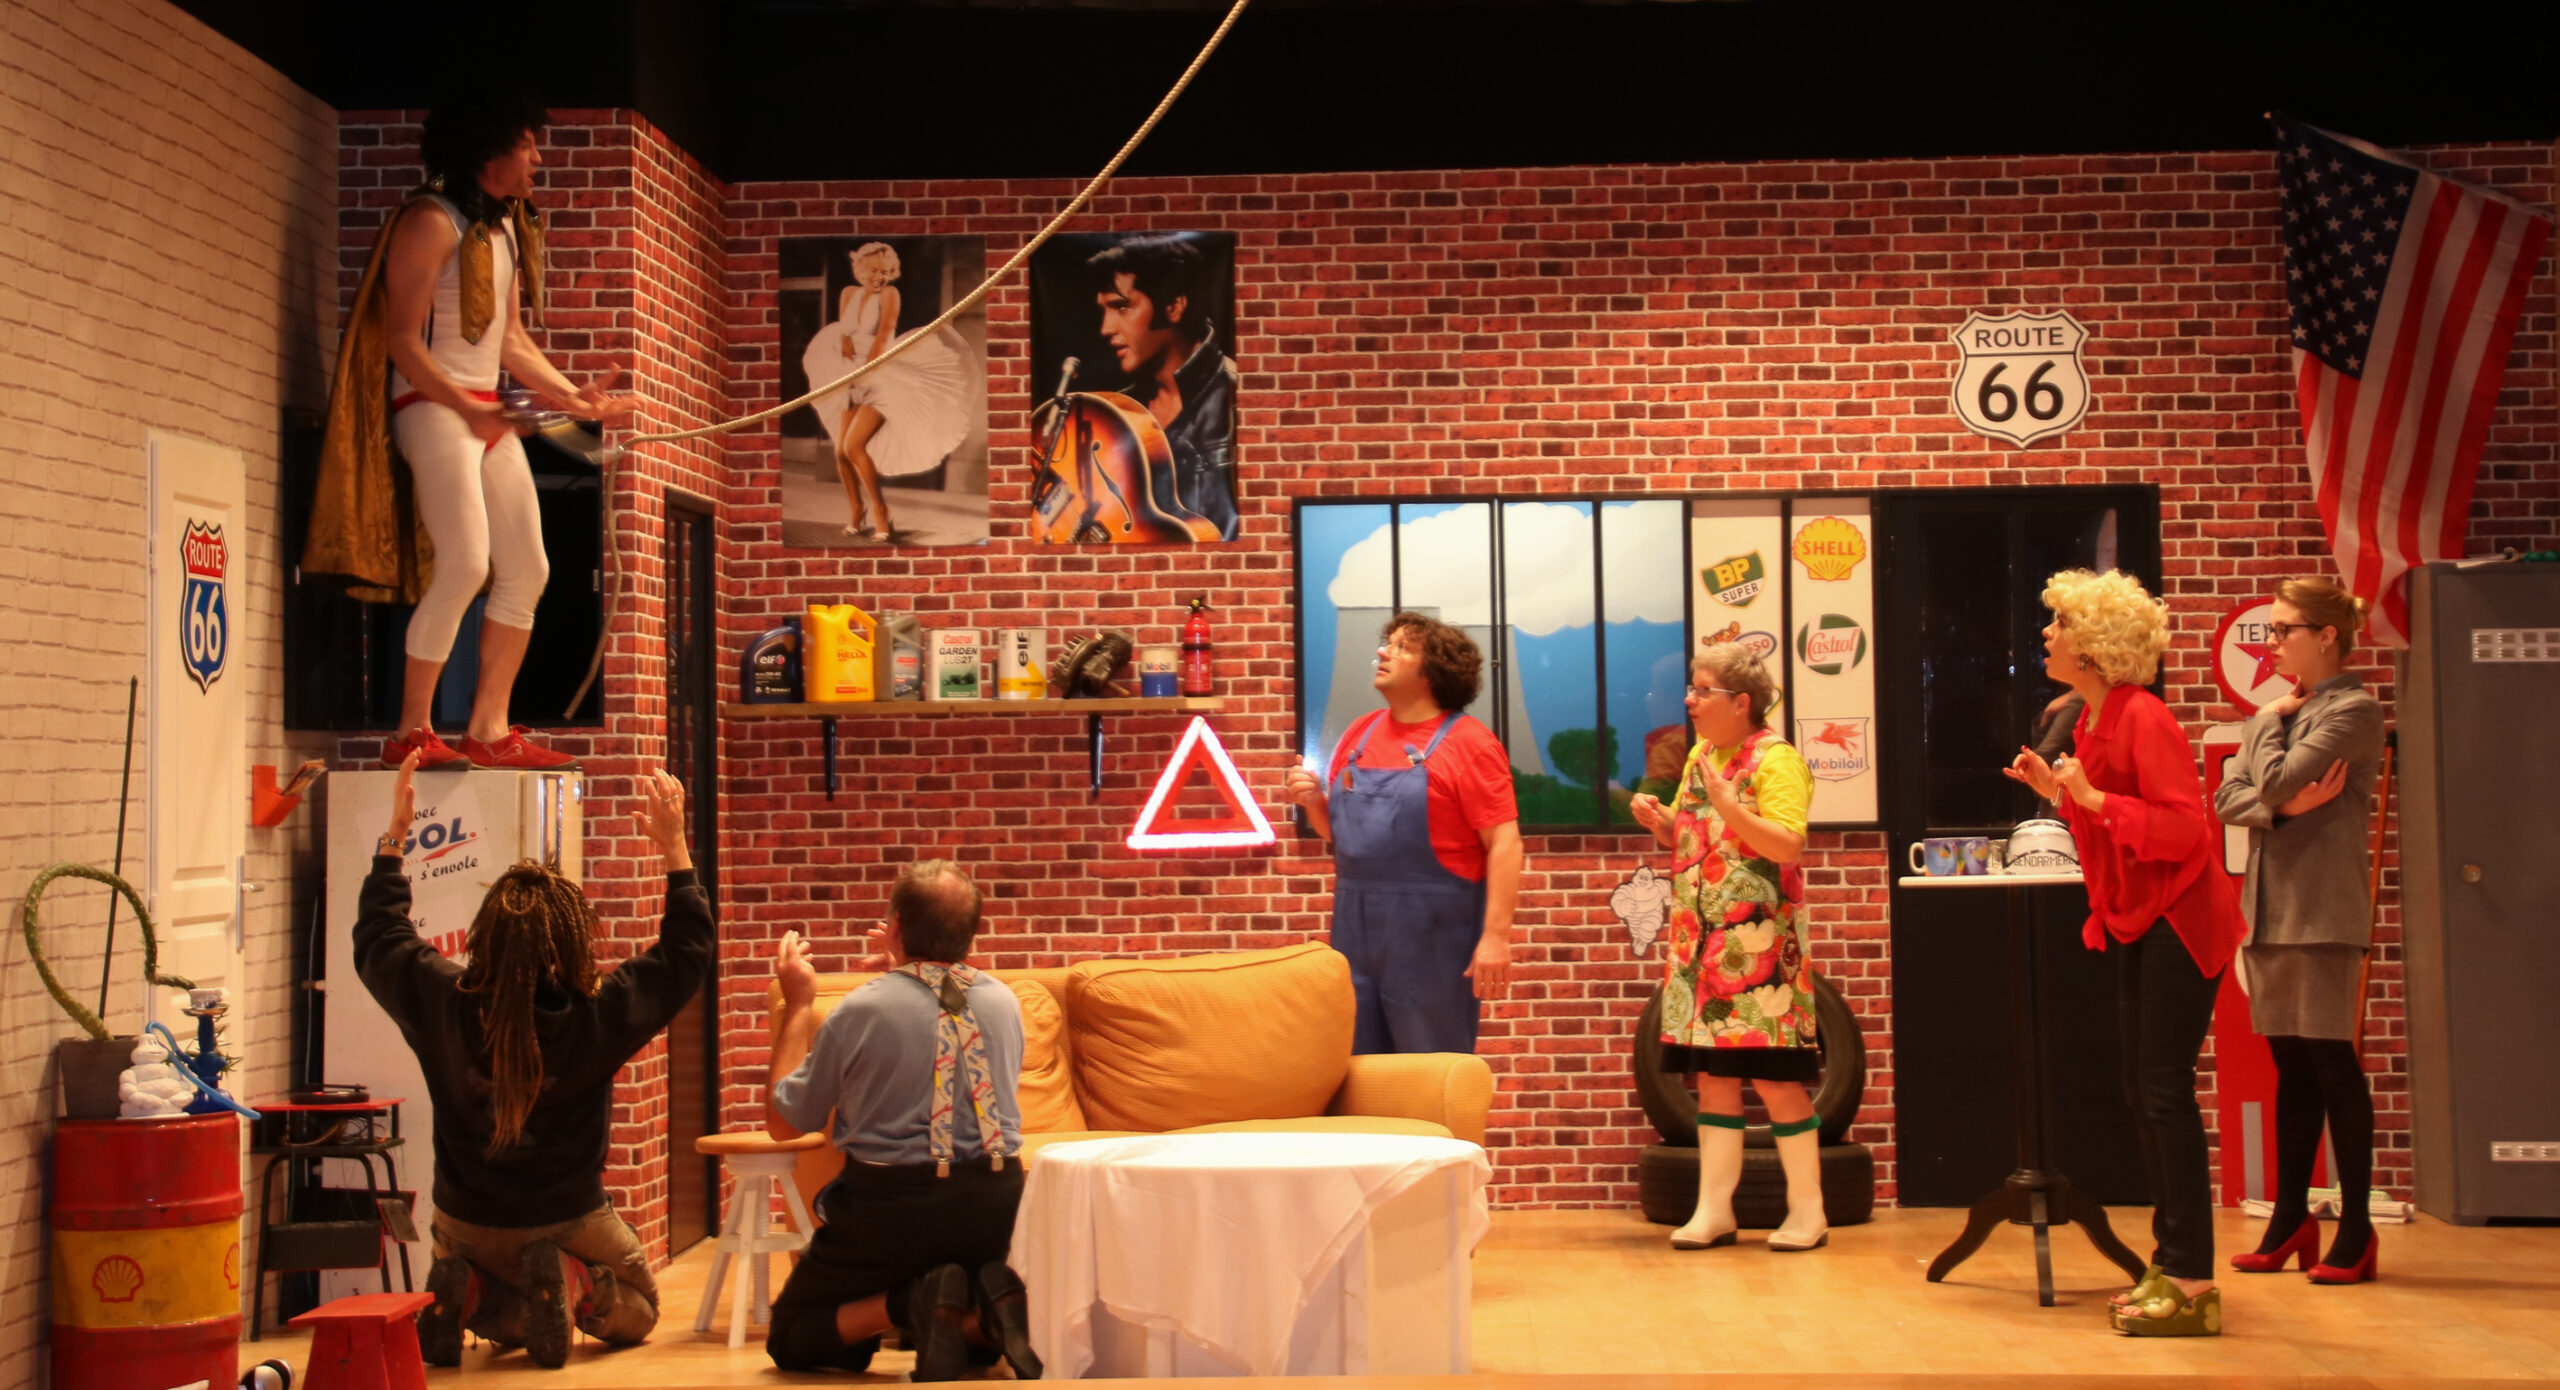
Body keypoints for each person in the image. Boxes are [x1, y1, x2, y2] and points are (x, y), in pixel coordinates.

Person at [311, 86, 639, 773]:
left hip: (483, 409)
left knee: (529, 568)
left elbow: (510, 339)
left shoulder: (507, 227)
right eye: (527, 144)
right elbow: (402, 341)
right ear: (489, 151)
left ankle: (487, 727)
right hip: (430, 406)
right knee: (464, 563)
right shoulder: (430, 220)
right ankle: (411, 730)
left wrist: (572, 398)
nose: (538, 159)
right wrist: (465, 406)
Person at [358, 755, 712, 1369]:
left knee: (495, 1285)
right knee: (641, 1307)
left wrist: (395, 839)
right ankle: (574, 1284)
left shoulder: (443, 1000)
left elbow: (379, 936)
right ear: (573, 939)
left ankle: (474, 1292)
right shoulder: (595, 1014)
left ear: (486, 934)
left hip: (466, 1221)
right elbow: (685, 953)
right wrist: (674, 847)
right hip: (567, 1218)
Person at [2005, 568, 2244, 1336]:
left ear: (2095, 645)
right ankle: (2171, 1266)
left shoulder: (2144, 716)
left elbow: (2183, 830)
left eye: (2061, 624)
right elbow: (2103, 827)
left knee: (2163, 1092)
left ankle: (2192, 1279)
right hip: (2139, 917)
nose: (2047, 635)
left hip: (2182, 919)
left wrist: (2092, 798)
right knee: (2145, 1092)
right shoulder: (2090, 720)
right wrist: (2058, 794)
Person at [763, 861, 1040, 1381]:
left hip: (893, 1210)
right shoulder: (1005, 1003)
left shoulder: (862, 1009)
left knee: (792, 1334)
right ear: (972, 934)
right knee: (962, 1336)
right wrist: (901, 972)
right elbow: (939, 1010)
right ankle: (983, 1318)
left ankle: (908, 1302)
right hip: (994, 1205)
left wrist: (798, 1003)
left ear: (894, 925)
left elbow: (784, 1123)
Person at [2213, 577, 2386, 1284]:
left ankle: (2357, 1229)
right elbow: (2229, 797)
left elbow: (2274, 782)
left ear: (2327, 637)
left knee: (2333, 1066)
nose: (2274, 641)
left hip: (2321, 913)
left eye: (2285, 629)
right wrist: (2281, 808)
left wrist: (2263, 726)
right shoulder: (2292, 711)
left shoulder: (2354, 711)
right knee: (2292, 1068)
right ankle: (2290, 1218)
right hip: (2270, 910)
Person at [1627, 643, 1825, 1253]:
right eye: (1691, 687)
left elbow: (1786, 845)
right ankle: (1714, 1211)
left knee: (1775, 1081)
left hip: (1759, 950)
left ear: (1741, 702)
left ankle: (1809, 1211)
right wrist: (1661, 823)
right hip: (1699, 948)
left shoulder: (1777, 759)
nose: (1689, 699)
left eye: (1702, 690)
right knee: (1712, 1078)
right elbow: (1696, 837)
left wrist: (1728, 805)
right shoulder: (1700, 756)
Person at [1283, 614, 1521, 1054]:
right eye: (1386, 643)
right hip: (1354, 931)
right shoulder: (1360, 734)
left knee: (1430, 1069)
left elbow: (1505, 843)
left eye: (1402, 647)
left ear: (1434, 671)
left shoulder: (1470, 743)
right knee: (1357, 1067)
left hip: (1434, 937)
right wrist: (1315, 802)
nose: (1383, 652)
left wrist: (1496, 937)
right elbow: (1341, 838)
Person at [798, 242, 977, 543]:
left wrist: (863, 374)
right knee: (840, 451)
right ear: (861, 270)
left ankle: (881, 512)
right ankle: (857, 510)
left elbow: (883, 337)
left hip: (882, 378)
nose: (879, 277)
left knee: (854, 446)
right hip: (850, 374)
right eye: (873, 271)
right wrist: (846, 375)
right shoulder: (848, 294)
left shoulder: (890, 295)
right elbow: (844, 337)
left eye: (885, 272)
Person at [1084, 234, 1239, 539]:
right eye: (1104, 310)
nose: (1105, 328)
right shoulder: (1116, 415)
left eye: (1122, 306)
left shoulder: (1235, 395)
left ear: (1173, 306)